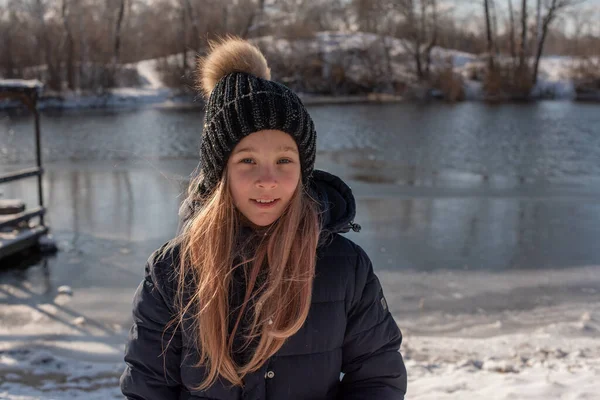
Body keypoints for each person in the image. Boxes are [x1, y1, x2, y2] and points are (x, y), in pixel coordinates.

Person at [119, 36, 407, 400]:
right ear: (219, 172)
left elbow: (377, 379)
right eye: (247, 161)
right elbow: (148, 389)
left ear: (304, 170)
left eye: (284, 160)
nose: (267, 180)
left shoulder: (346, 267)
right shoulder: (172, 272)